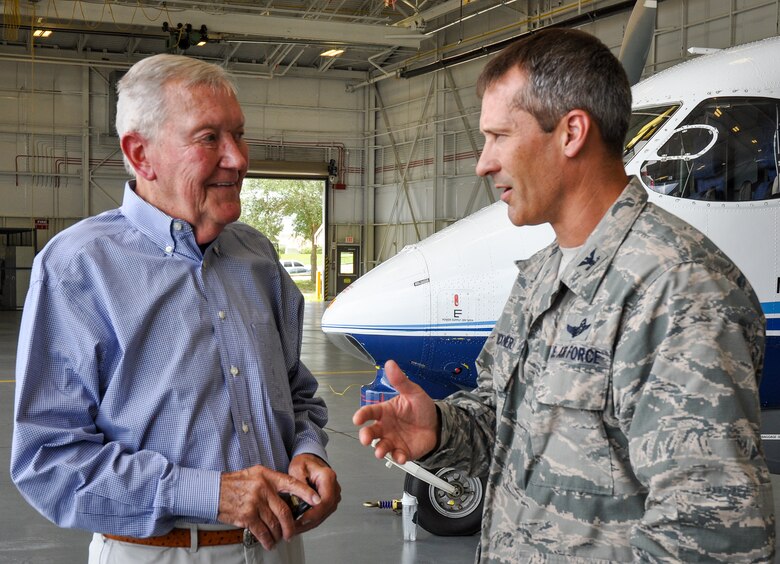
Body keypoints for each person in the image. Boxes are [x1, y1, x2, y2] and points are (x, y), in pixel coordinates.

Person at [353, 28, 776, 562]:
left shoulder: (678, 291)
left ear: (572, 132)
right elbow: (504, 422)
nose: (483, 163)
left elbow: (710, 535)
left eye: (499, 136)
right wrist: (439, 429)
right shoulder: (541, 276)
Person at [10, 53, 340, 564]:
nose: (238, 158)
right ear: (142, 155)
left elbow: (297, 395)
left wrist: (307, 452)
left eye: (239, 134)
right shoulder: (80, 267)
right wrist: (208, 494)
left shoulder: (256, 256)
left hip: (277, 547)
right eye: (209, 138)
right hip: (160, 552)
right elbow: (49, 461)